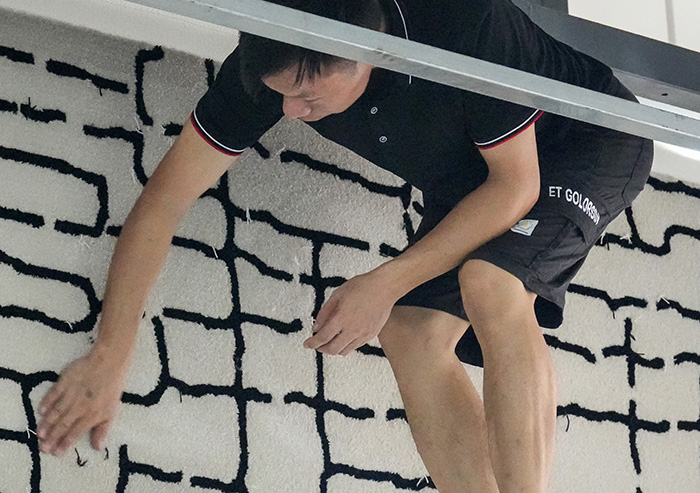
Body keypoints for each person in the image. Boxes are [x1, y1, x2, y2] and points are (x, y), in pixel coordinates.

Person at [36, 0, 653, 491]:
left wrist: (383, 282)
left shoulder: (461, 20)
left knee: (491, 282)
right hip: (473, 175)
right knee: (410, 331)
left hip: (587, 140)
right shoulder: (267, 71)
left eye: (307, 97)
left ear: (367, 54)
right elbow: (162, 203)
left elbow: (516, 187)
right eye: (281, 96)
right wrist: (112, 351)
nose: (292, 112)